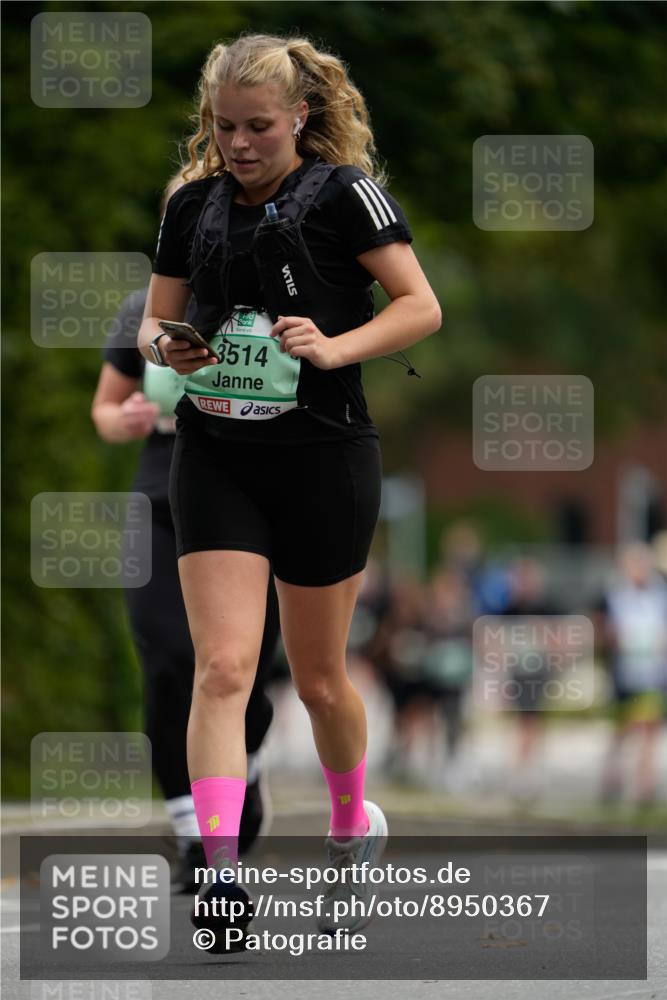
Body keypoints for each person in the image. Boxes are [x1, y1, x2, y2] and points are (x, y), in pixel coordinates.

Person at [137, 32, 441, 943]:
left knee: (315, 681)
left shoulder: (345, 193)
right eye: (224, 127)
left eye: (258, 127)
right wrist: (173, 348)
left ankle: (352, 822)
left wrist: (334, 347)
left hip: (325, 454)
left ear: (298, 117)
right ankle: (223, 875)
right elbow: (153, 326)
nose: (239, 143)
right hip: (218, 451)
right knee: (222, 668)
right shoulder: (190, 205)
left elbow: (420, 305)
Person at [91, 172, 280, 891]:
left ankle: (245, 765)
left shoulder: (273, 296)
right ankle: (193, 832)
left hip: (249, 502)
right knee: (169, 667)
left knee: (239, 675)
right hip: (161, 500)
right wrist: (127, 418)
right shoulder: (146, 308)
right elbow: (105, 410)